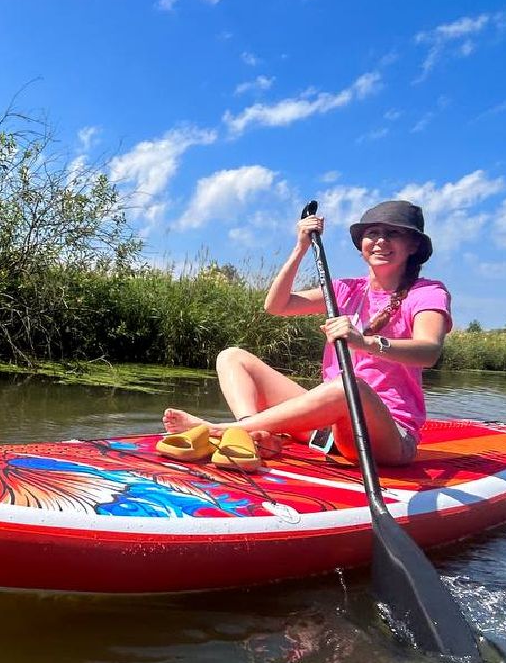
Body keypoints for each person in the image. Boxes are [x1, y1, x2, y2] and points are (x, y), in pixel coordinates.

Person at [163, 200, 452, 466]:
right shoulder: (345, 289)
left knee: (348, 385)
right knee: (232, 357)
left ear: (413, 245)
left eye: (393, 233)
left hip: (384, 437)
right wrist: (300, 247)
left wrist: (365, 343)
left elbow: (429, 351)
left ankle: (220, 430)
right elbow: (277, 305)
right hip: (326, 427)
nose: (380, 241)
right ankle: (253, 434)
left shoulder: (427, 292)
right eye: (373, 232)